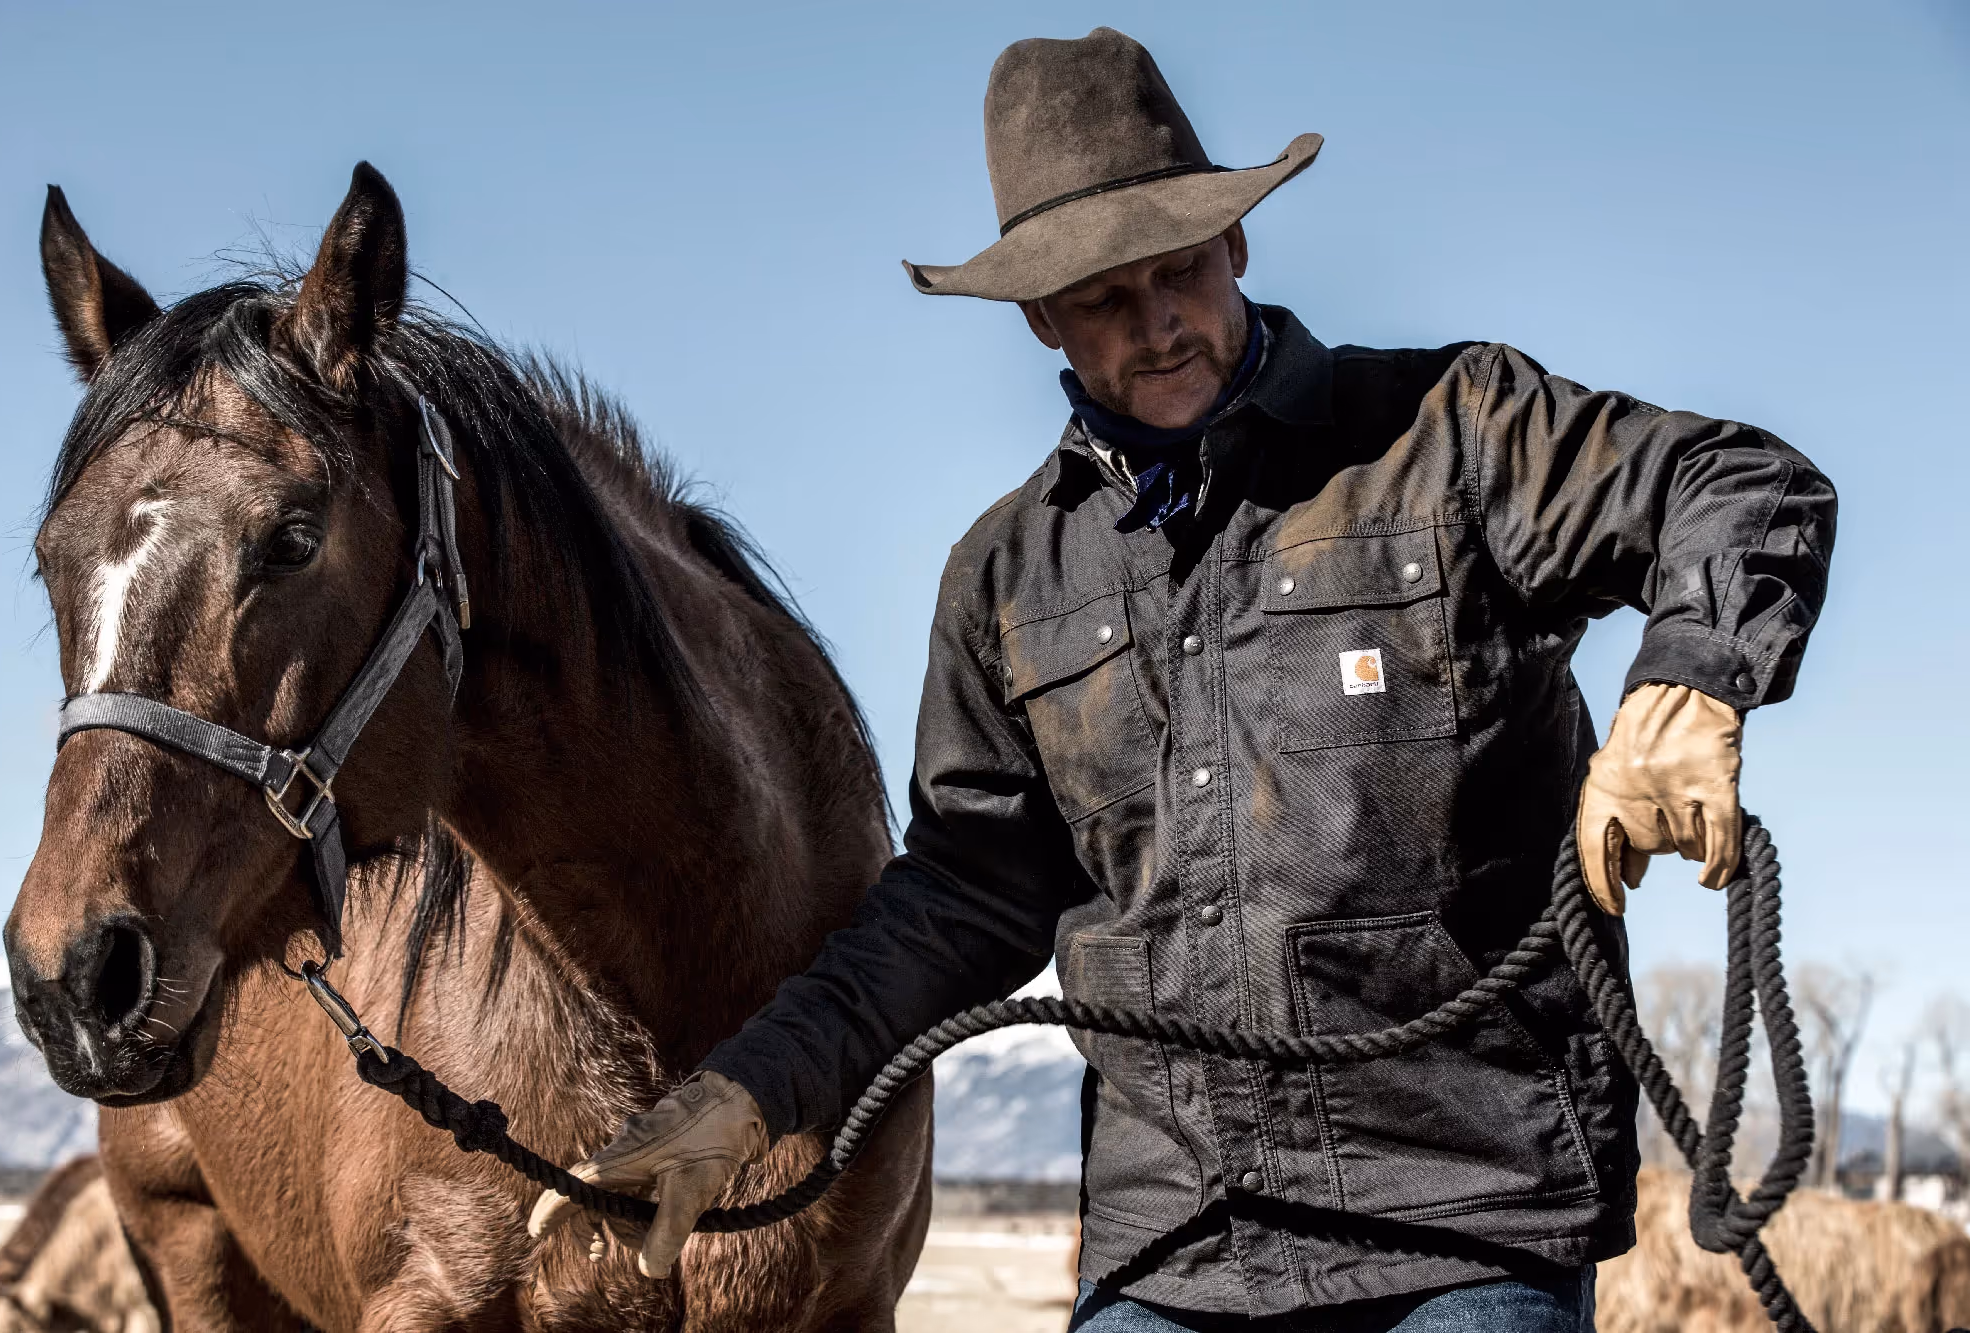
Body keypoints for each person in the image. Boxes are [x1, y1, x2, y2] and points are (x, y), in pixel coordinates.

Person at [529, 27, 1835, 1332]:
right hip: (1174, 1242)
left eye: (1181, 272)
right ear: (1040, 315)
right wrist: (740, 1102)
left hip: (1468, 1220)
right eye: (1106, 295)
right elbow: (949, 905)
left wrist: (1690, 690)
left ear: (1239, 250)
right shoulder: (1005, 577)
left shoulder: (1451, 433)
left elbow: (1739, 484)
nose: (1159, 324)